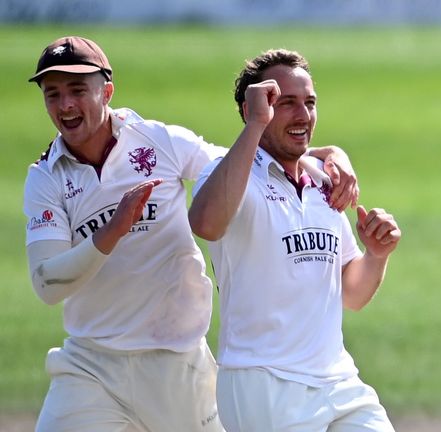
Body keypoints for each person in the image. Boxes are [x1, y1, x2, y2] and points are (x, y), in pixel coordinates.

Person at [24, 36, 360, 432]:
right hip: (90, 367)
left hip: (179, 362)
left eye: (77, 90)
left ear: (107, 91)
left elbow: (245, 164)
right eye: (53, 94)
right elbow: (48, 284)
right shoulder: (45, 177)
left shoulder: (159, 141)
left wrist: (325, 154)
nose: (65, 106)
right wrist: (111, 233)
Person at [188, 49, 401, 432]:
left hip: (338, 381)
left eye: (310, 103)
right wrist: (255, 125)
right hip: (264, 384)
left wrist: (376, 255)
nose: (303, 116)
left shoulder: (323, 179)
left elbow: (352, 293)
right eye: (285, 103)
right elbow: (206, 224)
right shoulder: (227, 175)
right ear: (251, 109)